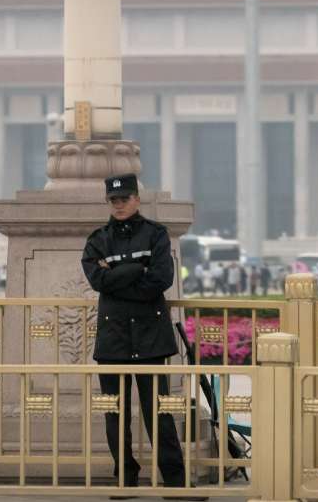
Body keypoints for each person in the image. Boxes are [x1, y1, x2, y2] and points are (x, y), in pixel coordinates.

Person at [81, 173, 206, 500]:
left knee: (160, 413)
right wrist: (138, 269)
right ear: (108, 202)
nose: (119, 205)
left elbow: (162, 278)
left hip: (150, 336)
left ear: (137, 199)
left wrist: (117, 275)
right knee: (115, 414)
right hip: (114, 338)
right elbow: (97, 280)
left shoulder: (156, 234)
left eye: (125, 199)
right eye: (114, 200)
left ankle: (176, 483)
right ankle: (125, 478)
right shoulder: (98, 239)